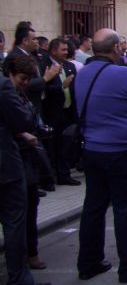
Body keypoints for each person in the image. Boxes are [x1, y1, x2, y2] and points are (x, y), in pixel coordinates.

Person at [75, 29, 127, 284]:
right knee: (126, 208)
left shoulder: (82, 73)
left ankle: (88, 262)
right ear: (114, 49)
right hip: (122, 149)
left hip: (91, 149)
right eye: (121, 46)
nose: (124, 50)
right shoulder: (121, 73)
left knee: (93, 206)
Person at [1, 56, 53, 285]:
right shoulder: (4, 87)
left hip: (15, 159)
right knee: (15, 222)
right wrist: (24, 130)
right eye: (23, 79)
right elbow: (22, 120)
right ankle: (19, 280)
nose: (24, 84)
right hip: (7, 165)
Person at [40, 38, 80, 186]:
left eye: (66, 50)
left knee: (65, 145)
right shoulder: (45, 65)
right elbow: (42, 89)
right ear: (53, 50)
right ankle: (49, 177)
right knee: (51, 146)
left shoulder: (70, 66)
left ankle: (64, 175)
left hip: (68, 111)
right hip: (52, 113)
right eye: (62, 50)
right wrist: (61, 86)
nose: (66, 52)